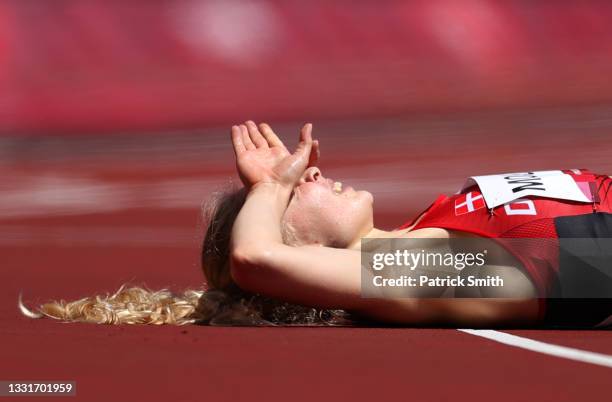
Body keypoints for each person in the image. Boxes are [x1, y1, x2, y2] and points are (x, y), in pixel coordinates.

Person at [21, 121, 612, 327]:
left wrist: (276, 190)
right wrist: (271, 186)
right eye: (291, 195)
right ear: (295, 243)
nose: (308, 174)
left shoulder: (433, 227)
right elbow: (255, 262)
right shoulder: (429, 276)